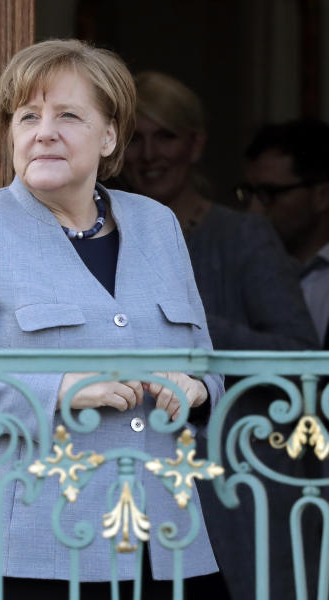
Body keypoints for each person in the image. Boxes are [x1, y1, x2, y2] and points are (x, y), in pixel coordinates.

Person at [0, 40, 225, 599]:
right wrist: (59, 391)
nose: (43, 131)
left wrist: (193, 389)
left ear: (109, 136)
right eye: (28, 116)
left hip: (165, 546)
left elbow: (206, 367)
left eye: (68, 115)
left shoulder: (159, 224)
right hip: (22, 553)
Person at [121, 72, 319, 600]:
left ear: (195, 144)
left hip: (237, 491)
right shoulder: (100, 236)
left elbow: (303, 357)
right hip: (126, 493)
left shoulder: (243, 236)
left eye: (164, 136)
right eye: (135, 137)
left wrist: (199, 327)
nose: (147, 154)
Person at [243, 118, 329, 349]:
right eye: (248, 193)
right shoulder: (245, 266)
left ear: (322, 195)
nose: (254, 209)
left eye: (269, 193)